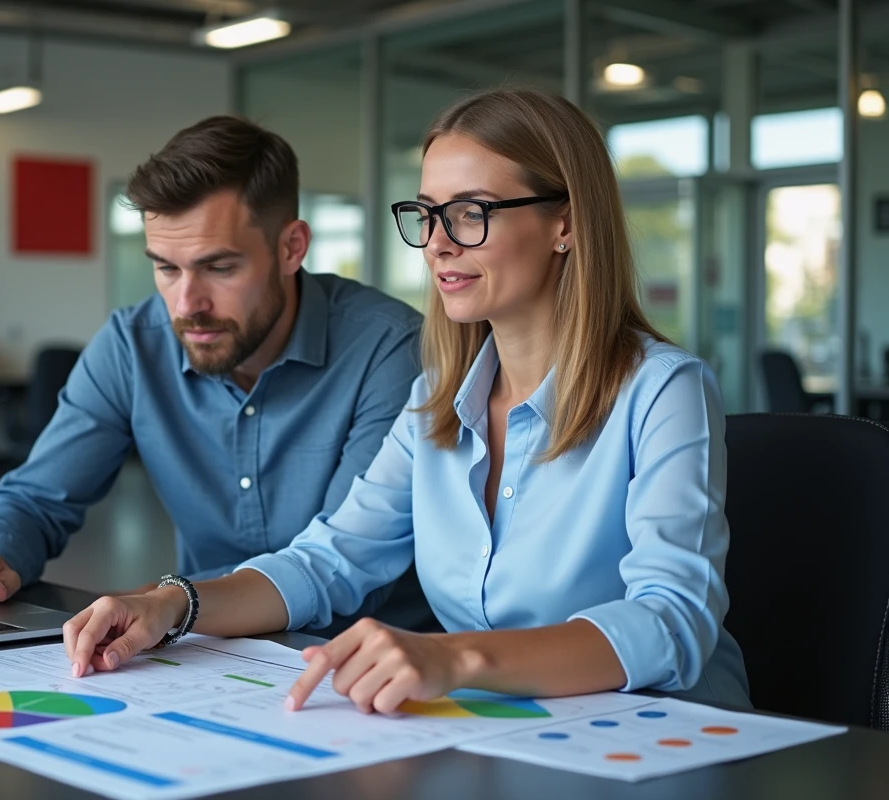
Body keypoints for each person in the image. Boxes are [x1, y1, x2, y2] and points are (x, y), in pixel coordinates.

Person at [59, 88, 752, 714]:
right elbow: (329, 560)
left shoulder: (663, 389)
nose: (439, 245)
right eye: (426, 215)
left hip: (669, 737)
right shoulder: (439, 401)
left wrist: (454, 657)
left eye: (471, 213)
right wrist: (172, 603)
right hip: (505, 736)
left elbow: (673, 619)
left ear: (564, 224)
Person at [0, 116, 437, 634]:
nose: (187, 304)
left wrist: (174, 604)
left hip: (367, 662)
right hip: (205, 650)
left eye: (220, 267)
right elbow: (37, 498)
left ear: (291, 247)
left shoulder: (390, 351)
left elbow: (345, 566)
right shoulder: (135, 345)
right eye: (166, 267)